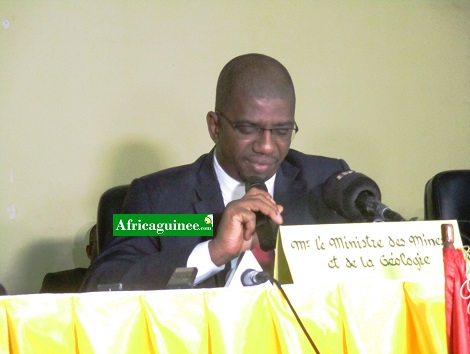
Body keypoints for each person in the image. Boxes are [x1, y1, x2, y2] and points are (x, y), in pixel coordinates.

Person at [81, 53, 350, 291]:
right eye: (248, 128)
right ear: (215, 127)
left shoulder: (326, 183)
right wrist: (212, 253)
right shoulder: (157, 199)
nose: (267, 146)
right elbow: (101, 282)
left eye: (281, 131)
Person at [40, 224, 98, 293]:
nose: (110, 252)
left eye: (114, 247)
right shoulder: (58, 283)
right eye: (102, 242)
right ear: (89, 251)